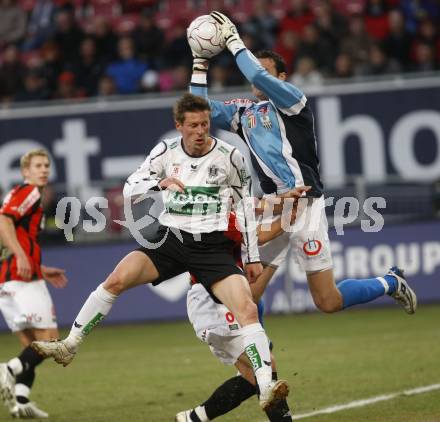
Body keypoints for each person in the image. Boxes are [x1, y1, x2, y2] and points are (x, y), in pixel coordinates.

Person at [31, 93, 289, 412]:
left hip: (212, 247)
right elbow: (130, 187)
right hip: (172, 239)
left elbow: (247, 208)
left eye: (205, 124)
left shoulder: (231, 157)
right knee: (116, 279)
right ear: (178, 125)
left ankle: (265, 386)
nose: (200, 131)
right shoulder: (166, 152)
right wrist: (160, 185)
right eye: (192, 125)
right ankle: (70, 344)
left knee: (247, 309)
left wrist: (250, 257)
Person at [189, 11, 417, 316]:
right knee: (245, 294)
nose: (258, 75)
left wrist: (232, 40)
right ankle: (263, 361)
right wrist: (200, 64)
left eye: (268, 71)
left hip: (305, 205)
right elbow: (198, 110)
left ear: (281, 78)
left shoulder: (294, 102)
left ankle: (389, 282)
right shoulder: (243, 113)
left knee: (327, 301)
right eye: (257, 68)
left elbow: (256, 76)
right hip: (273, 206)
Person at [176, 206, 303, 422]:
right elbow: (257, 237)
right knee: (266, 366)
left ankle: (194, 418)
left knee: (251, 378)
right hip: (212, 302)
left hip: (222, 299)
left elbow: (255, 204)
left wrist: (283, 201)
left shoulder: (221, 205)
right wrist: (287, 218)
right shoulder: (216, 216)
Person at [0, 149, 68, 419]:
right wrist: (20, 255)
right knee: (50, 340)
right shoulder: (28, 192)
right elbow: (3, 221)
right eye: (38, 166)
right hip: (22, 280)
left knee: (31, 346)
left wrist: (40, 267)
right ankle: (8, 369)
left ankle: (20, 401)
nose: (44, 170)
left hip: (7, 281)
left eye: (47, 166)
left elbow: (11, 231)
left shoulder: (23, 197)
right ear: (25, 171)